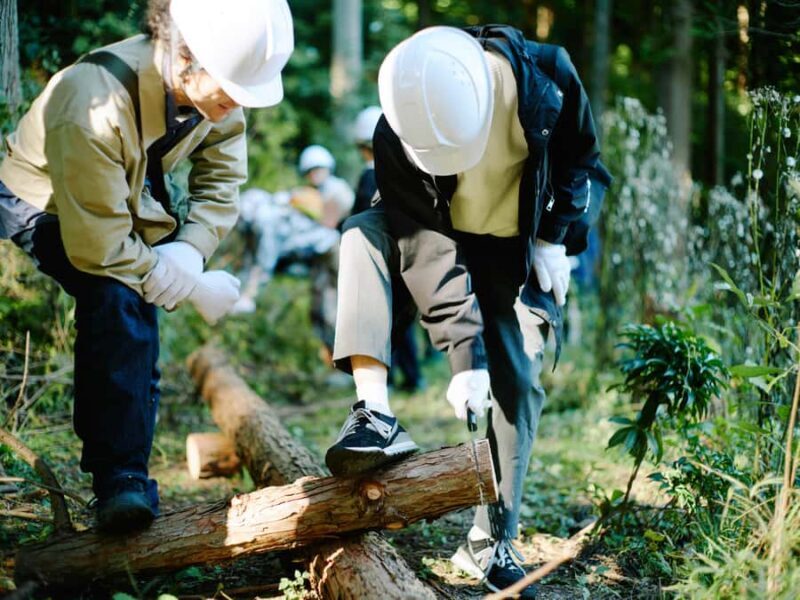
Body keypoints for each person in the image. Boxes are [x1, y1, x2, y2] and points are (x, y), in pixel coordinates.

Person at [324, 26, 610, 596]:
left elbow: (582, 157)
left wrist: (556, 235)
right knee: (361, 235)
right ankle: (373, 412)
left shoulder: (549, 76)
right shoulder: (397, 122)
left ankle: (493, 534)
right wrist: (463, 357)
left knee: (519, 376)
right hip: (437, 233)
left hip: (515, 242)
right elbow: (426, 247)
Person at [0, 0, 294, 533]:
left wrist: (191, 250)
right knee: (117, 297)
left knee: (139, 292)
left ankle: (126, 454)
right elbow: (100, 245)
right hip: (44, 197)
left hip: (127, 183)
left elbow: (223, 177)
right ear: (185, 56)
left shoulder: (219, 88)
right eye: (228, 90)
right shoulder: (90, 103)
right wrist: (184, 285)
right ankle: (120, 481)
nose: (235, 104)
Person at [297, 145, 355, 229]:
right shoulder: (314, 189)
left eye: (317, 169)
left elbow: (329, 222)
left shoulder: (336, 189)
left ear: (327, 169)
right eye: (309, 171)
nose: (313, 174)